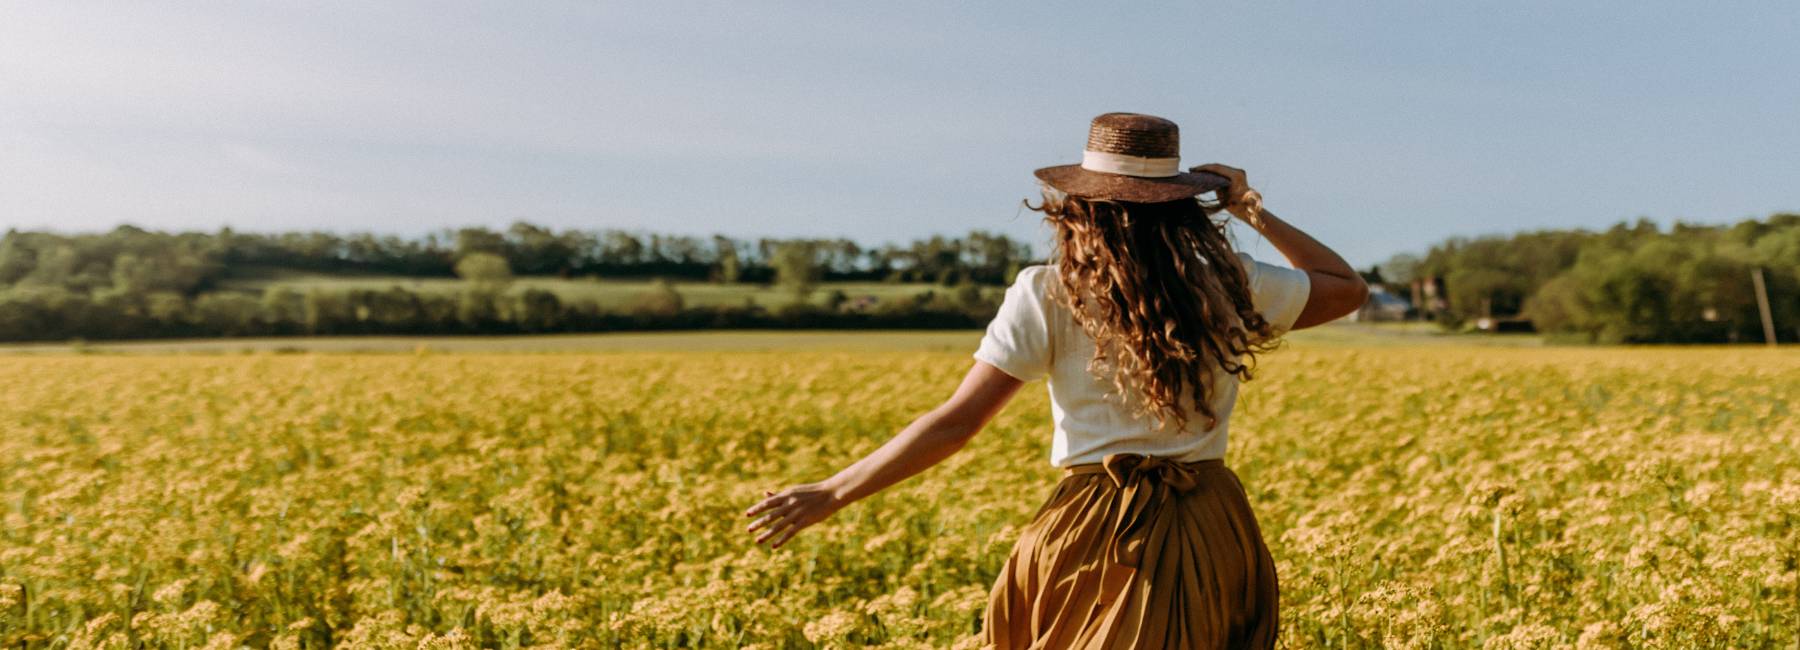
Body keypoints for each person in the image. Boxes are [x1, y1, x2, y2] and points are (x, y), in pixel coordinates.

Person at [744, 112, 1368, 649]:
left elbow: (957, 422)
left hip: (1088, 527)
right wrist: (1248, 207)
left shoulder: (1048, 291)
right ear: (1181, 206)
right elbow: (1346, 288)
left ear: (1079, 204)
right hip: (1206, 521)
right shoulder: (1233, 281)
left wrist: (834, 492)